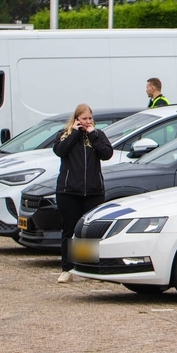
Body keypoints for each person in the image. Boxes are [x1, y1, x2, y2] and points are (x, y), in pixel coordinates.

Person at [52, 104, 113, 283]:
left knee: (89, 232)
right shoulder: (65, 134)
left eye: (90, 119)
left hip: (93, 191)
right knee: (69, 230)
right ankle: (67, 268)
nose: (87, 122)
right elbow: (59, 151)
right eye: (84, 119)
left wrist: (93, 135)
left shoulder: (98, 135)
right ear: (76, 119)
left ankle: (87, 267)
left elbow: (107, 153)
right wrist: (75, 134)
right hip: (69, 191)